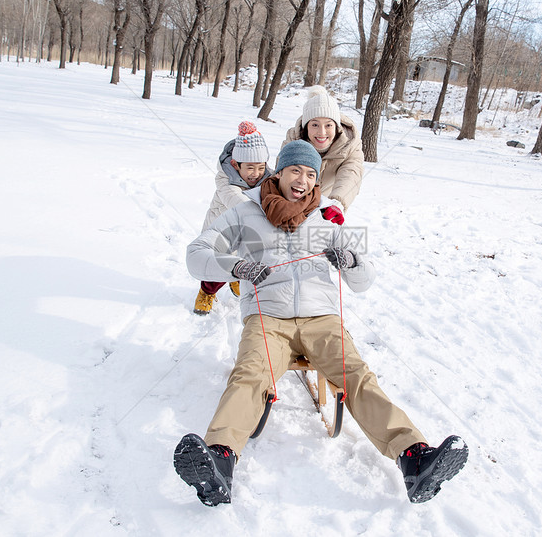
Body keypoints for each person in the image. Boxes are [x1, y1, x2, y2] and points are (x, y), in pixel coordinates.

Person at [175, 140, 468, 506]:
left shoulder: (325, 218)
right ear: (278, 172)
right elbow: (196, 254)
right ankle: (219, 459)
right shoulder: (244, 214)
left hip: (321, 319)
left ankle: (414, 457)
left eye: (311, 174)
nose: (302, 180)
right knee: (250, 374)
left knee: (357, 375)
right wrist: (235, 266)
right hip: (269, 319)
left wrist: (351, 261)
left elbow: (365, 280)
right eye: (295, 170)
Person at [193, 121, 273, 315]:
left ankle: (236, 279)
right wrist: (262, 212)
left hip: (245, 231)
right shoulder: (225, 180)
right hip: (222, 232)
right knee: (219, 266)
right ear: (236, 165)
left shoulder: (266, 178)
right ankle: (207, 291)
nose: (256, 174)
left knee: (243, 261)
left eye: (261, 167)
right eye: (250, 168)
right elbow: (236, 201)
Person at [283, 85, 364, 211]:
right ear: (306, 127)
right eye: (315, 124)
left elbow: (351, 174)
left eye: (328, 125)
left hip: (327, 203)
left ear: (336, 127)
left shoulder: (350, 144)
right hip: (293, 203)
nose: (322, 132)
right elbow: (283, 175)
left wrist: (337, 202)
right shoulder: (293, 139)